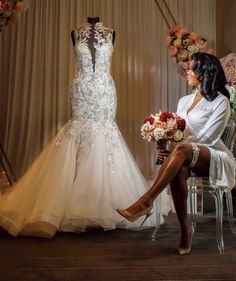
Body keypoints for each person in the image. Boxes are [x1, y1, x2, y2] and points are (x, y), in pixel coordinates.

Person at [0, 17, 157, 238]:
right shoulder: (75, 32)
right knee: (78, 133)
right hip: (82, 88)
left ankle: (107, 204)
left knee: (105, 132)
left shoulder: (111, 32)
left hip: (104, 91)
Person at [117, 52, 236, 255]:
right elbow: (176, 132)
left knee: (181, 151)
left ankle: (145, 201)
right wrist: (166, 146)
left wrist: (178, 146)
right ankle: (185, 230)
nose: (187, 72)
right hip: (187, 154)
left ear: (203, 73)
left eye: (191, 68)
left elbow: (208, 139)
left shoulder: (221, 102)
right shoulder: (184, 100)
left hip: (215, 156)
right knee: (179, 169)